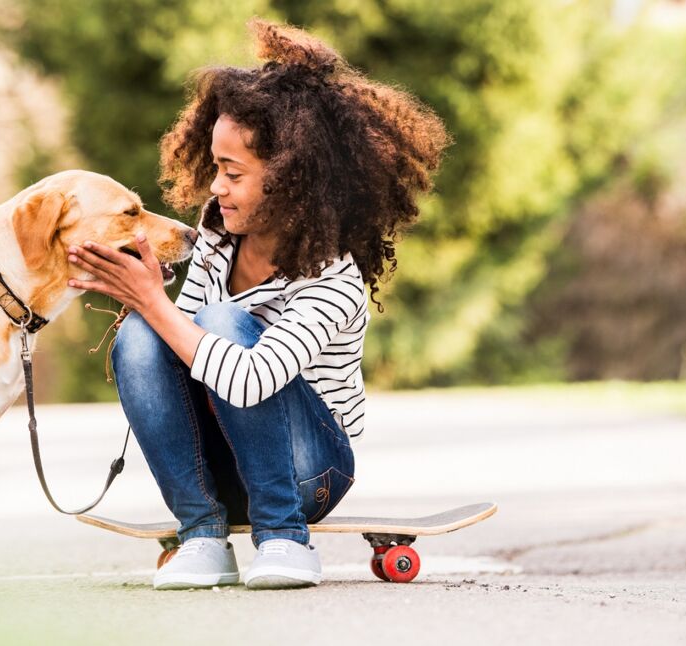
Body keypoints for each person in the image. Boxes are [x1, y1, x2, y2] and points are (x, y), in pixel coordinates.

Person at [67, 19, 448, 590]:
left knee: (219, 321)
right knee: (142, 337)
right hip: (224, 462)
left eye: (233, 172)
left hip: (310, 472)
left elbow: (249, 379)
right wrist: (139, 297)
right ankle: (201, 534)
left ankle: (285, 538)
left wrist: (152, 301)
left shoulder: (333, 278)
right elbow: (181, 344)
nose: (215, 187)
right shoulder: (218, 236)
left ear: (293, 180)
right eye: (215, 167)